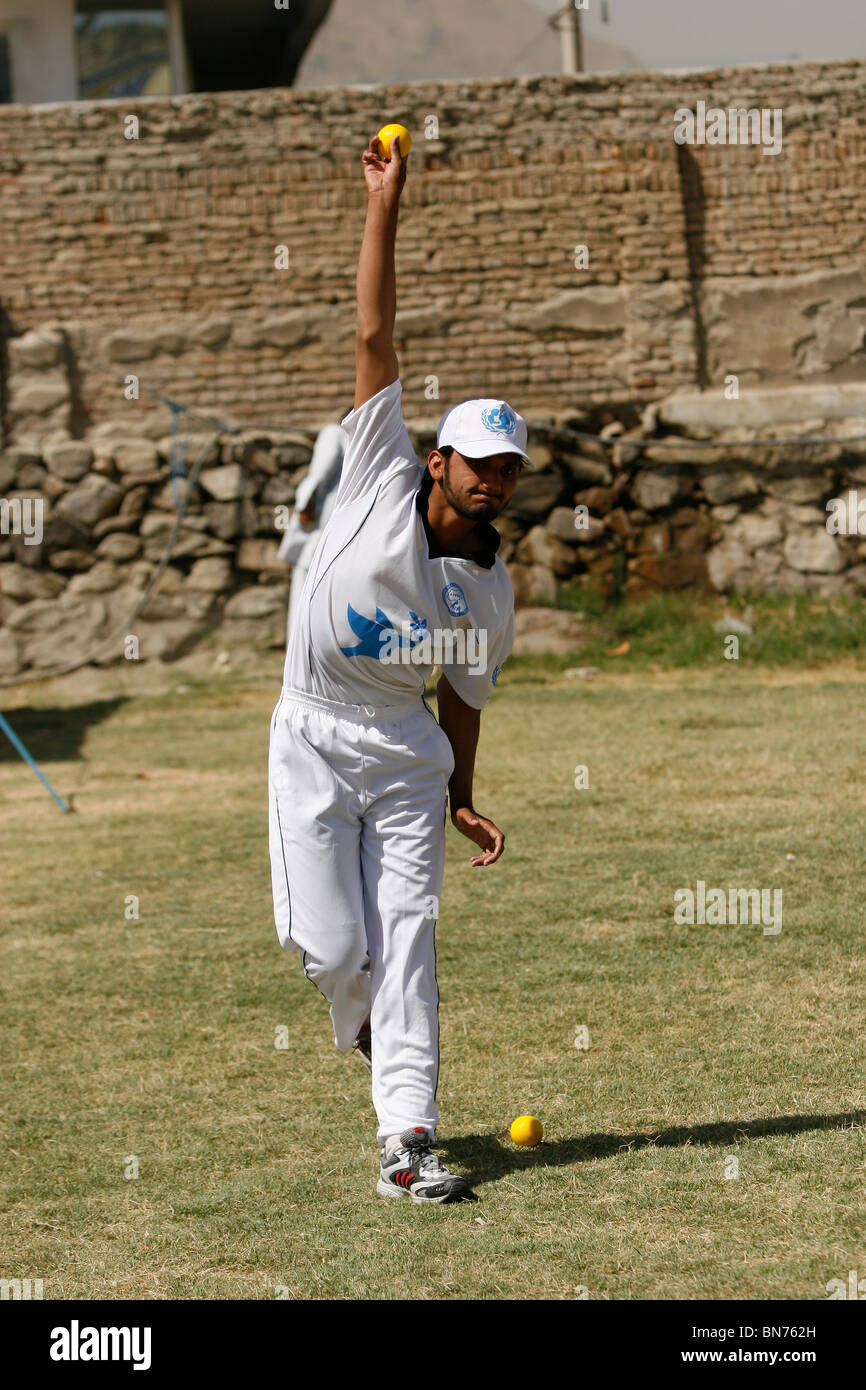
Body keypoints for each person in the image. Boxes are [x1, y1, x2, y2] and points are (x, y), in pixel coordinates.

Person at [267, 129, 533, 1204]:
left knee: (410, 936)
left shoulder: (489, 590)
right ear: (438, 460)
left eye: (510, 472)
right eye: (481, 465)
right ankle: (374, 1039)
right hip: (313, 728)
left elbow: (462, 699)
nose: (496, 484)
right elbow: (373, 328)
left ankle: (406, 1138)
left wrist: (463, 793)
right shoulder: (377, 464)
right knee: (331, 949)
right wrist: (384, 202)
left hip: (404, 752)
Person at [276, 419, 348, 639]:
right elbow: (319, 476)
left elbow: (318, 473)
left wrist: (304, 507)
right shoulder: (343, 436)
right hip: (337, 536)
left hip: (326, 537)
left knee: (307, 608)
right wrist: (306, 505)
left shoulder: (334, 433)